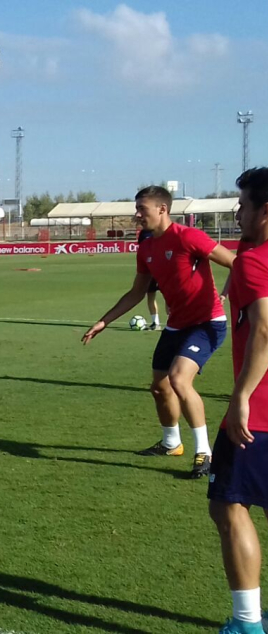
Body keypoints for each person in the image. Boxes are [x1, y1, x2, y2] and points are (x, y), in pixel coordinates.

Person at [82, 186, 235, 479]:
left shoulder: (188, 236)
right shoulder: (147, 246)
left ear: (162, 209)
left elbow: (236, 263)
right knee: (159, 387)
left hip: (207, 323)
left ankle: (205, 452)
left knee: (179, 380)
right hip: (176, 325)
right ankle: (171, 443)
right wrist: (104, 321)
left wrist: (228, 292)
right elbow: (137, 292)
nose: (137, 215)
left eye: (142, 208)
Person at [209, 167, 268, 634]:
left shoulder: (255, 262)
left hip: (261, 410)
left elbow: (264, 328)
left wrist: (241, 397)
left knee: (229, 506)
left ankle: (247, 623)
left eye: (244, 205)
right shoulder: (252, 255)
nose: (237, 212)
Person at [137, 228, 163, 330]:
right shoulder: (143, 232)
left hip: (162, 268)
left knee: (168, 297)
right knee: (150, 296)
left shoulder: (160, 231)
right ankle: (155, 323)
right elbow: (142, 248)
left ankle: (173, 322)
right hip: (149, 269)